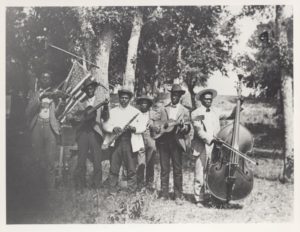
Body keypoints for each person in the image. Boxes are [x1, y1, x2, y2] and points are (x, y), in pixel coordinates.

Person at [191, 88, 237, 207]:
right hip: (201, 146)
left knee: (214, 173)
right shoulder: (196, 113)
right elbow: (198, 129)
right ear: (201, 100)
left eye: (210, 99)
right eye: (206, 99)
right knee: (200, 173)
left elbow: (230, 115)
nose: (208, 101)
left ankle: (213, 197)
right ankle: (199, 199)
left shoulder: (216, 111)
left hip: (216, 147)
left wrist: (238, 105)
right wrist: (210, 139)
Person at [102, 87, 147, 193]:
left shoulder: (136, 112)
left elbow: (142, 126)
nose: (124, 100)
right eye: (122, 97)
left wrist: (133, 128)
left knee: (131, 168)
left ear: (130, 99)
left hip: (130, 142)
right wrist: (113, 128)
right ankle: (112, 190)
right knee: (114, 167)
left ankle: (131, 191)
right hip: (116, 141)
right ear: (119, 98)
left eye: (126, 98)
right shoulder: (113, 111)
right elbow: (105, 124)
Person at [66, 78, 108, 191]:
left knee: (97, 159)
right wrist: (74, 117)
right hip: (83, 133)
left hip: (95, 132)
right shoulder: (81, 103)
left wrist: (106, 107)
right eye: (88, 88)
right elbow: (69, 115)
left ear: (94, 88)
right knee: (81, 159)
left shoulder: (100, 101)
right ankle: (80, 185)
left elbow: (106, 117)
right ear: (85, 90)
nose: (90, 90)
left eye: (92, 88)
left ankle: (96, 185)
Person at [153, 84, 191, 205]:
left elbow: (188, 128)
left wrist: (183, 127)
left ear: (180, 96)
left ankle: (178, 195)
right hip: (164, 141)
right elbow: (156, 123)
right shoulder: (163, 108)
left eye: (177, 95)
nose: (174, 97)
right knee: (164, 168)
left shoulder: (185, 111)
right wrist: (158, 128)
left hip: (177, 141)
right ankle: (164, 194)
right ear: (171, 95)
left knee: (177, 169)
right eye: (173, 94)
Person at [25, 71, 60, 190]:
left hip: (50, 128)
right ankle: (36, 189)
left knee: (50, 159)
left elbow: (60, 113)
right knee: (37, 158)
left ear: (50, 80)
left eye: (48, 78)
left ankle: (50, 189)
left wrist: (62, 101)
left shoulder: (55, 94)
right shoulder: (35, 93)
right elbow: (28, 112)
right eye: (43, 78)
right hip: (37, 127)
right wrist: (39, 98)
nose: (46, 80)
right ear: (40, 80)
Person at [135, 95, 158, 191]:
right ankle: (139, 184)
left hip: (150, 139)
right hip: (139, 138)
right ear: (139, 104)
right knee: (140, 163)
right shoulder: (136, 113)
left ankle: (149, 184)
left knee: (150, 162)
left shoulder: (153, 114)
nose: (144, 105)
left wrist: (153, 125)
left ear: (149, 104)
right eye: (142, 103)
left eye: (146, 103)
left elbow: (158, 128)